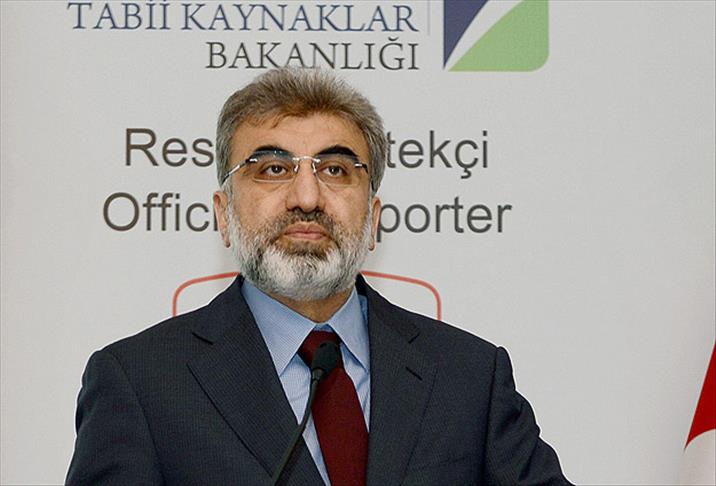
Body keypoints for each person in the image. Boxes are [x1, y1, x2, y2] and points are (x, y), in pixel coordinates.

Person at [67, 67, 571, 485]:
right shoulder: (140, 383)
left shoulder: (469, 377)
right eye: (272, 169)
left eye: (335, 170)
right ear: (223, 214)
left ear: (373, 217)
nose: (306, 198)